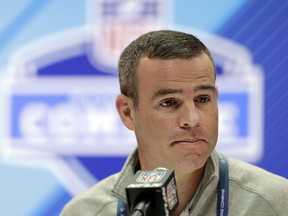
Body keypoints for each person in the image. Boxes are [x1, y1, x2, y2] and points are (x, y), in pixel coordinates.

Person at [61, 30, 288, 216]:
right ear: (128, 112)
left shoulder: (275, 203)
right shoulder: (85, 212)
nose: (192, 119)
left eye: (202, 99)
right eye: (169, 103)